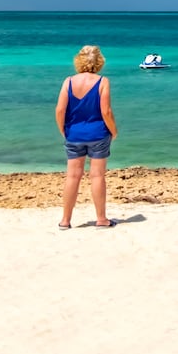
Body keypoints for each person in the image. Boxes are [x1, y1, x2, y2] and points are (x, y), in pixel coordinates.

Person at [55, 44, 118, 229]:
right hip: (98, 134)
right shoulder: (102, 81)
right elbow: (106, 111)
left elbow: (60, 110)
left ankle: (65, 221)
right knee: (97, 176)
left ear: (79, 61)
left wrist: (63, 130)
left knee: (72, 176)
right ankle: (101, 219)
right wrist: (114, 131)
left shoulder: (68, 81)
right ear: (99, 62)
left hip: (74, 134)